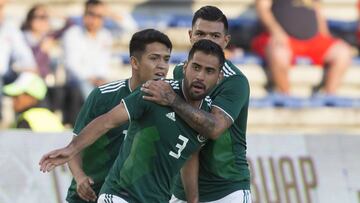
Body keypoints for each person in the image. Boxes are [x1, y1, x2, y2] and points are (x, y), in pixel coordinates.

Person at [39, 39, 224, 203]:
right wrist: (71, 151)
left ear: (219, 77)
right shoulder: (155, 92)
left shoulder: (206, 117)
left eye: (209, 71)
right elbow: (107, 121)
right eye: (196, 67)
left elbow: (189, 155)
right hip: (118, 196)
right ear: (185, 67)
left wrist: (193, 199)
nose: (200, 76)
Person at [141, 6, 251, 203]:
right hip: (183, 190)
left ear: (225, 41)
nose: (207, 41)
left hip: (226, 191)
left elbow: (215, 128)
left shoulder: (236, 82)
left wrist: (173, 100)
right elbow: (183, 132)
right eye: (200, 34)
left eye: (215, 35)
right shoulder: (179, 73)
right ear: (191, 36)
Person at [64, 29, 172, 203]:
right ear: (134, 63)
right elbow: (75, 146)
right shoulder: (102, 96)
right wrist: (80, 177)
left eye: (166, 59)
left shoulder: (171, 103)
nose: (162, 66)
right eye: (154, 58)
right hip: (89, 196)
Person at [251, 0, 352, 95]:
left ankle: (329, 97)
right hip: (283, 39)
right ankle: (286, 98)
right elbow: (262, 8)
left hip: (313, 40)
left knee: (343, 52)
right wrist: (276, 31)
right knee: (278, 53)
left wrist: (325, 35)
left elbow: (317, 11)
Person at [62, 0, 113, 125]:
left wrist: (100, 79)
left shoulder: (106, 35)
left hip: (98, 80)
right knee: (90, 89)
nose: (94, 19)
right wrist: (92, 78)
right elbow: (72, 65)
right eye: (91, 14)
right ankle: (97, 123)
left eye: (99, 16)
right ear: (84, 15)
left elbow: (104, 65)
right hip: (77, 81)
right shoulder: (72, 34)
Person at [0, 0, 37, 121]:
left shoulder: (9, 28)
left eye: (1, 7)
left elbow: (25, 57)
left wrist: (26, 67)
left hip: (5, 77)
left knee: (33, 81)